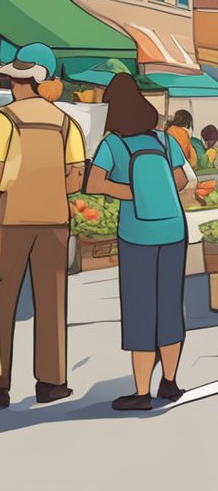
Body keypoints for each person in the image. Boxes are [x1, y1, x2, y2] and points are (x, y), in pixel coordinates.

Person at [0, 43, 86, 408]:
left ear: (27, 82)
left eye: (15, 79)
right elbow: (77, 176)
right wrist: (48, 187)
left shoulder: (4, 119)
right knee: (52, 301)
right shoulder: (67, 122)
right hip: (55, 221)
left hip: (13, 220)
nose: (11, 84)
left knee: (2, 299)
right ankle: (52, 382)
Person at [84, 73, 187, 411]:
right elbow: (182, 179)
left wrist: (131, 193)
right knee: (170, 304)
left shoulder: (112, 144)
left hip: (138, 235)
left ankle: (142, 392)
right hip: (174, 230)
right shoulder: (164, 140)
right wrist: (154, 192)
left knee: (141, 309)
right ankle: (169, 382)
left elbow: (94, 184)